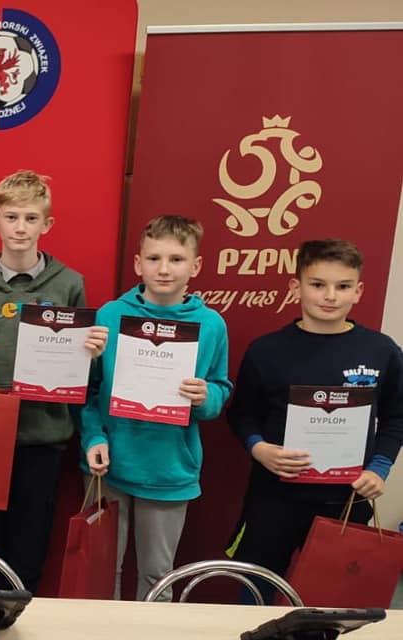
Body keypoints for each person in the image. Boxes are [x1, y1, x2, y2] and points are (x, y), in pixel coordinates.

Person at [0, 170, 106, 592]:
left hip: (43, 434)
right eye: (11, 217)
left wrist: (90, 352)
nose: (20, 228)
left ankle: (18, 609)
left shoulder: (69, 284)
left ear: (47, 225)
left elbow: (82, 372)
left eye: (31, 218)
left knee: (30, 540)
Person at [225, 238, 403, 601]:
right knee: (255, 592)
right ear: (296, 287)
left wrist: (379, 468)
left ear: (358, 291)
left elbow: (396, 417)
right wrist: (259, 449)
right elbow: (242, 414)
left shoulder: (382, 351)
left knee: (333, 598)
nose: (330, 296)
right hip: (274, 496)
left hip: (347, 499)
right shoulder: (266, 350)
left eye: (343, 286)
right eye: (318, 284)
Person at [81, 216, 231, 600]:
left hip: (169, 470)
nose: (164, 269)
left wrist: (206, 397)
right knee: (101, 574)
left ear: (195, 266)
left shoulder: (211, 325)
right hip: (109, 466)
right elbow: (89, 389)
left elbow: (220, 388)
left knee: (157, 578)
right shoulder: (110, 315)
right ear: (138, 263)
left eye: (176, 259)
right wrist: (93, 437)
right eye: (154, 258)